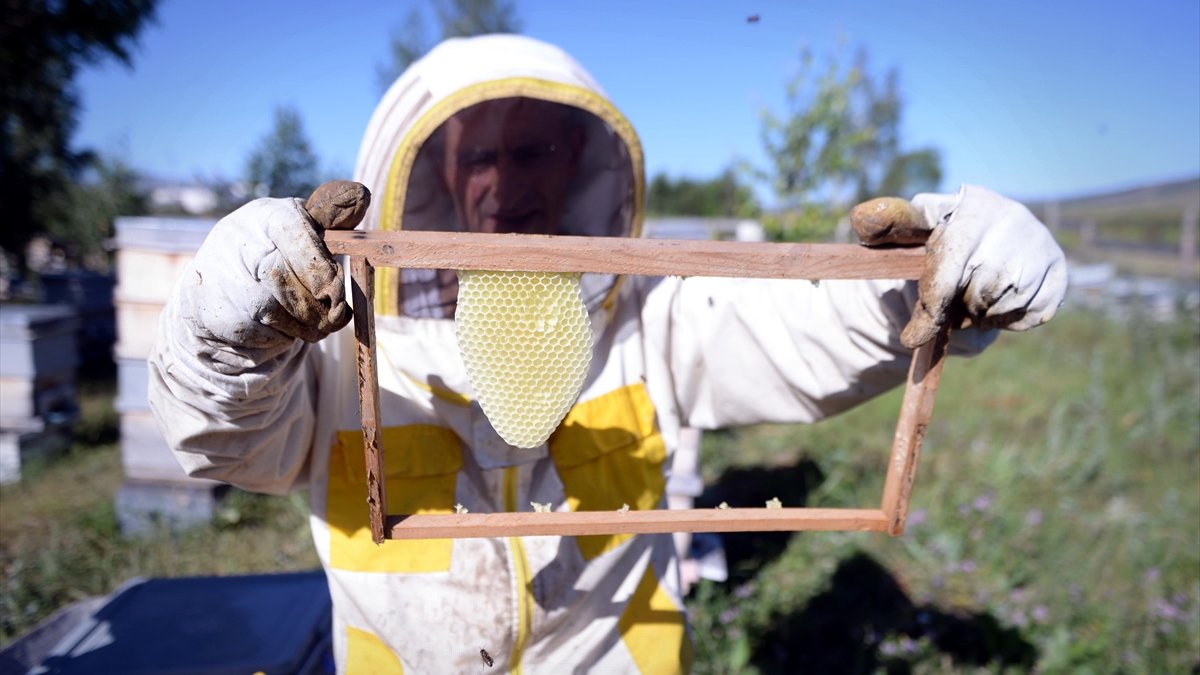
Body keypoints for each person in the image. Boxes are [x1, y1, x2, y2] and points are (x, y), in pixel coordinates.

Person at [148, 34, 1067, 674]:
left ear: (581, 166)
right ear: (431, 174)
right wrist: (232, 322)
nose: (506, 186)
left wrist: (916, 283)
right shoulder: (346, 345)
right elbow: (224, 440)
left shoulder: (646, 320)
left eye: (537, 151)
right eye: (479, 157)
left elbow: (799, 334)